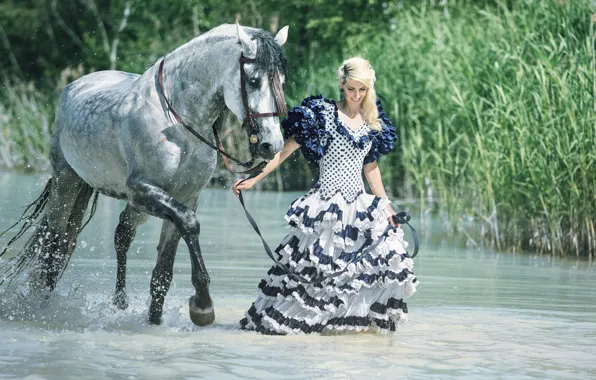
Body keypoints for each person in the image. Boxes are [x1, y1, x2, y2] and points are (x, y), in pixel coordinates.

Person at [233, 57, 418, 335]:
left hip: (360, 207)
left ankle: (349, 333)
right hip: (325, 208)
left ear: (369, 89)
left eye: (362, 90)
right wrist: (254, 178)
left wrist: (388, 207)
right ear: (341, 86)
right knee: (315, 276)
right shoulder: (320, 114)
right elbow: (284, 151)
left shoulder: (372, 120)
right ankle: (305, 329)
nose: (356, 96)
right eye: (351, 89)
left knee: (377, 268)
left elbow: (371, 168)